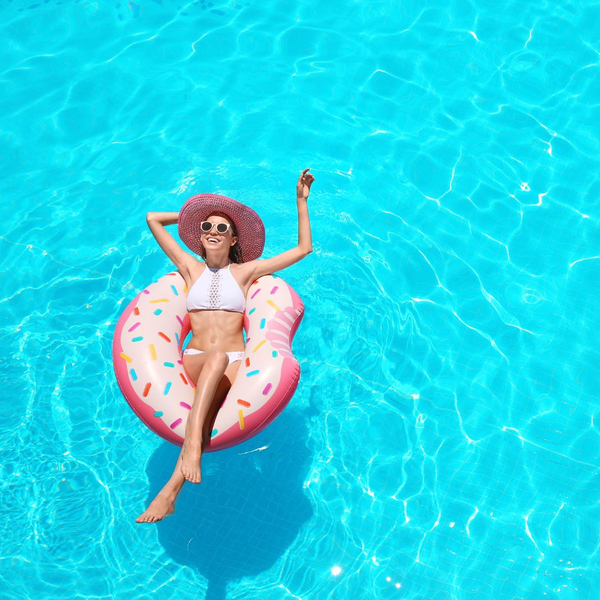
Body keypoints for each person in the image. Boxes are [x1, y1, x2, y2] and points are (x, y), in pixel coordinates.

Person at [136, 168, 315, 523]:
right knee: (213, 358)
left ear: (234, 240)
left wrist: (300, 201)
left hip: (232, 361)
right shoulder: (189, 268)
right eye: (207, 228)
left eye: (222, 228)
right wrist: (193, 215)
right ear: (199, 238)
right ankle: (189, 455)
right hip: (195, 359)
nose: (213, 232)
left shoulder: (247, 272)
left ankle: (172, 488)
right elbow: (153, 218)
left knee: (219, 365)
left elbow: (304, 249)